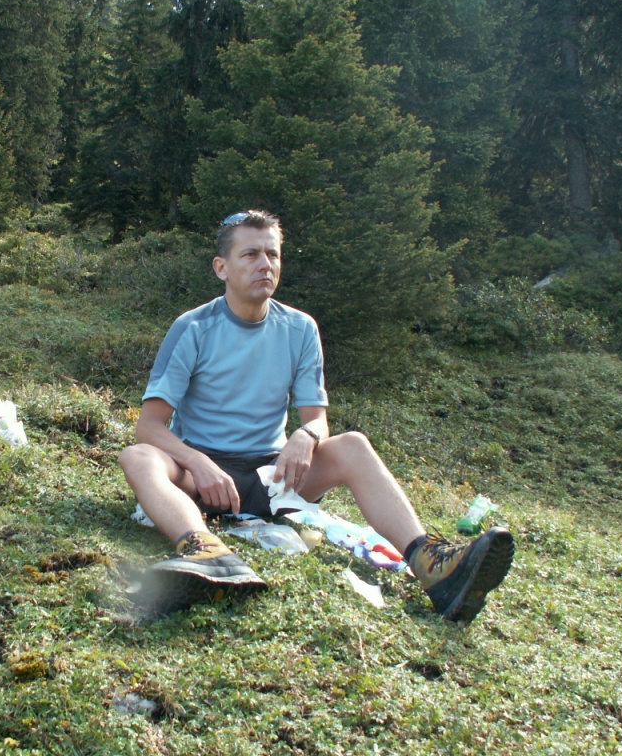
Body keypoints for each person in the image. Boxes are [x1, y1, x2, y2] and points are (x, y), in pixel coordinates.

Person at [119, 210, 514, 621]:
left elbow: (317, 419)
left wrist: (306, 435)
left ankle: (431, 563)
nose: (264, 264)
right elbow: (149, 426)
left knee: (353, 445)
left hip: (271, 477)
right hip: (201, 480)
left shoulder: (300, 328)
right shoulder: (193, 327)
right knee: (137, 456)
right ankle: (206, 552)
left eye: (272, 254)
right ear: (222, 267)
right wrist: (198, 462)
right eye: (250, 254)